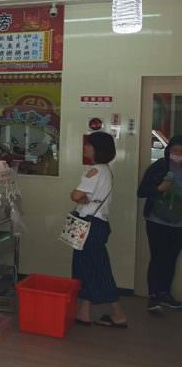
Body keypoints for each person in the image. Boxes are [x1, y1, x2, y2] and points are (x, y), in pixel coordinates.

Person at [71, 131, 127, 328]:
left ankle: (118, 314)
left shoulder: (94, 171)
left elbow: (76, 195)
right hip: (96, 225)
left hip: (89, 226)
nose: (85, 147)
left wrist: (78, 196)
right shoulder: (105, 170)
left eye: (89, 145)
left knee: (99, 268)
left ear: (97, 149)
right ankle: (84, 313)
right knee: (86, 267)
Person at [137, 135, 182, 312]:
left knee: (171, 259)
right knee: (157, 258)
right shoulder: (159, 166)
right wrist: (159, 189)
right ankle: (153, 296)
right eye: (175, 151)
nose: (178, 155)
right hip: (157, 221)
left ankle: (165, 294)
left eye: (181, 152)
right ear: (168, 150)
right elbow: (142, 191)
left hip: (179, 224)